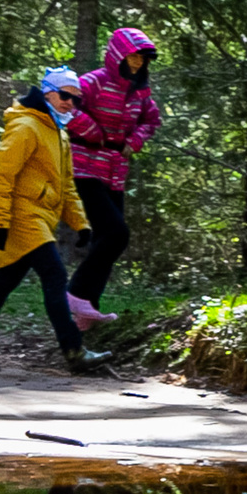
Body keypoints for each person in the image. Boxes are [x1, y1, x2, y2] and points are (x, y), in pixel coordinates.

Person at [0, 66, 108, 375]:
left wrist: (81, 224)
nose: (70, 104)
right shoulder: (26, 126)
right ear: (48, 93)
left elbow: (66, 185)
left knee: (0, 286)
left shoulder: (58, 133)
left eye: (76, 100)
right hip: (22, 217)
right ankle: (74, 351)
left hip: (40, 219)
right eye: (64, 96)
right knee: (55, 276)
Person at [64, 27, 161, 323]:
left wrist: (135, 141)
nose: (138, 63)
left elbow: (151, 120)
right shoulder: (92, 82)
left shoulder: (139, 92)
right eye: (133, 57)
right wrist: (91, 130)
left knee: (107, 238)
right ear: (119, 55)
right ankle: (74, 294)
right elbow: (64, 108)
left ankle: (86, 311)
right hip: (83, 167)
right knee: (117, 233)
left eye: (142, 59)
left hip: (114, 171)